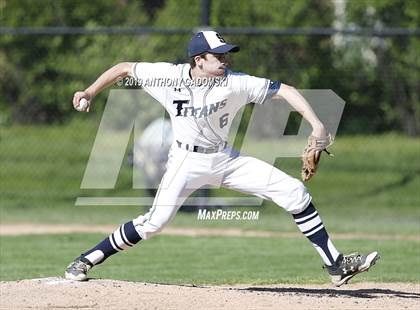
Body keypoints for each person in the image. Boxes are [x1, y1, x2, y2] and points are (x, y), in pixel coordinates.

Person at [66, 31, 379, 286]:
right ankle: (87, 259)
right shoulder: (167, 77)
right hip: (185, 163)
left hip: (226, 161)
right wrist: (90, 92)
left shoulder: (235, 81)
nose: (226, 60)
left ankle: (335, 266)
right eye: (219, 55)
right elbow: (123, 68)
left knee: (295, 192)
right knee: (154, 223)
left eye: (227, 54)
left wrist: (317, 125)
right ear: (199, 60)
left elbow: (286, 90)